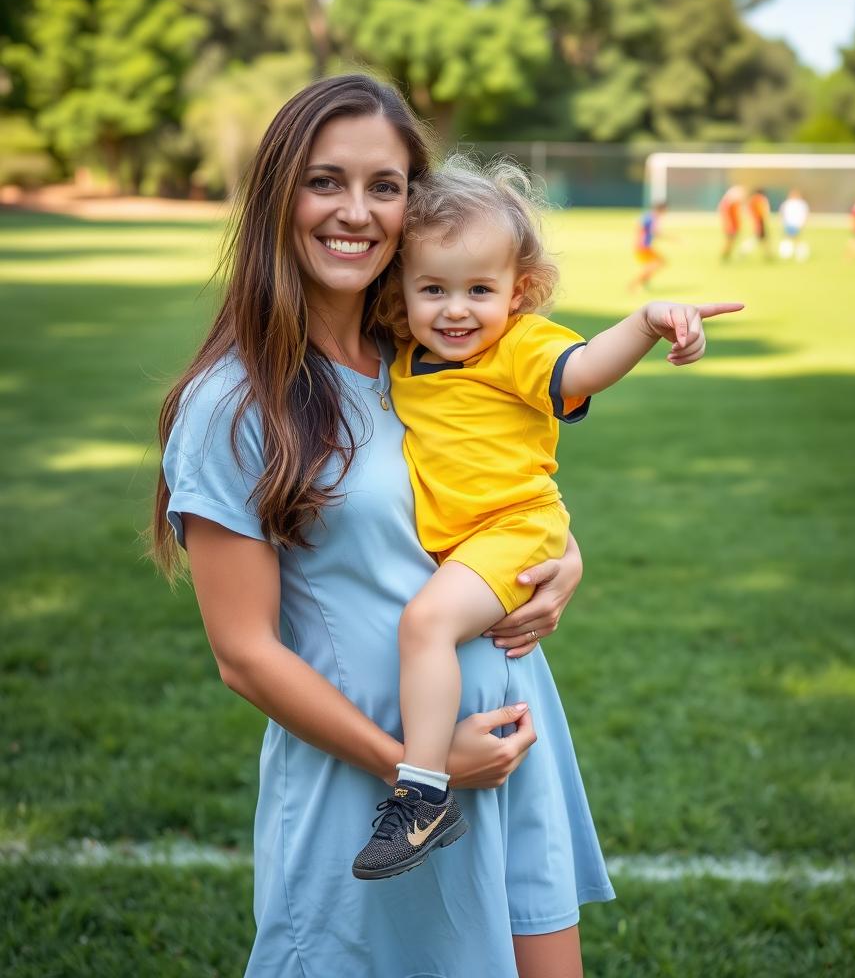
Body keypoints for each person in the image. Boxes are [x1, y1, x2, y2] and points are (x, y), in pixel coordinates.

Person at [149, 74, 720, 978]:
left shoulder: (432, 353)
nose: (356, 211)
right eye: (324, 180)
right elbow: (244, 654)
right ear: (275, 197)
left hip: (510, 736)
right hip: (384, 781)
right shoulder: (235, 403)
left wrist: (564, 557)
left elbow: (489, 490)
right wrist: (415, 770)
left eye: (384, 185)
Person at [359, 157, 744, 881]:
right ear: (402, 292)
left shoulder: (518, 346)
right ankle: (424, 786)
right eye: (432, 289)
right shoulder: (409, 358)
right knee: (427, 624)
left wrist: (644, 322)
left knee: (425, 625)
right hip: (469, 542)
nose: (455, 310)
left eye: (480, 290)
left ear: (519, 292)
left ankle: (421, 794)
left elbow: (585, 368)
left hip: (514, 530)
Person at [628, 200, 667, 293]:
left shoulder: (651, 216)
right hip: (643, 246)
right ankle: (633, 285)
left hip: (645, 246)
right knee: (653, 265)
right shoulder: (650, 217)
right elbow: (642, 228)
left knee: (659, 263)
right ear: (662, 209)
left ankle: (643, 282)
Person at [777, 188, 809, 261]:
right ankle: (786, 254)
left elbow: (805, 214)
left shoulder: (801, 204)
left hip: (797, 224)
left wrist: (803, 223)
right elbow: (782, 213)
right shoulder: (787, 203)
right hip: (788, 223)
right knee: (787, 239)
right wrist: (782, 222)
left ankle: (800, 254)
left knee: (797, 239)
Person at [718, 184, 746, 261]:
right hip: (731, 226)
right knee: (730, 241)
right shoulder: (729, 205)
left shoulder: (732, 205)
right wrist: (730, 225)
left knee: (732, 241)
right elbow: (729, 216)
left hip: (734, 225)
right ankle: (725, 255)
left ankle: (726, 255)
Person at [746, 188, 771, 259]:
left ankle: (768, 254)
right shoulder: (759, 200)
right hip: (760, 221)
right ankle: (744, 251)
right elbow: (763, 211)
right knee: (759, 239)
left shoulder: (752, 200)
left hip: (757, 221)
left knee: (761, 239)